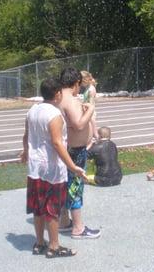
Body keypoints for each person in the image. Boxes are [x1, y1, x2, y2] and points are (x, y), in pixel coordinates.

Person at [20, 78, 87, 258]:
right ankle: (54, 247)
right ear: (57, 94)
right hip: (52, 169)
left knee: (38, 207)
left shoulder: (32, 111)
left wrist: (26, 152)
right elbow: (58, 144)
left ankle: (39, 243)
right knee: (52, 209)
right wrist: (73, 167)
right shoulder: (54, 115)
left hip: (35, 168)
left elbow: (26, 136)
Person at [58, 67, 101, 239]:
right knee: (75, 187)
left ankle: (63, 221)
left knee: (65, 185)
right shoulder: (69, 99)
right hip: (75, 151)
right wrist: (90, 110)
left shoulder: (59, 97)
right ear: (76, 83)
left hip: (69, 149)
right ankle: (78, 228)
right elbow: (78, 124)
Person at [80, 70, 98, 139]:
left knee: (93, 130)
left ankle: (97, 138)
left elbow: (91, 103)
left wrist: (84, 106)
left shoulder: (91, 89)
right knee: (89, 129)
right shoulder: (87, 88)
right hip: (87, 111)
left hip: (90, 112)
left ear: (85, 80)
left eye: (81, 82)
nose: (80, 84)